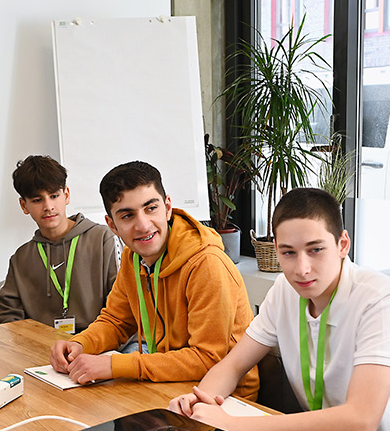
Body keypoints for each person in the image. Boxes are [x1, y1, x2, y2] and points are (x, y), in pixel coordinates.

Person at [169, 188, 390, 431]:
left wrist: (234, 425)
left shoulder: (381, 300)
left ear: (342, 244)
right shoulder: (284, 291)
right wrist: (202, 405)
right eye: (289, 252)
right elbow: (232, 366)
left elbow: (360, 423)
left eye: (315, 250)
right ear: (275, 249)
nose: (302, 269)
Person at [49, 161, 258, 397]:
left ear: (167, 207)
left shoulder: (207, 264)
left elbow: (208, 359)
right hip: (167, 382)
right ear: (112, 225)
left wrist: (114, 366)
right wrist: (80, 344)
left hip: (223, 397)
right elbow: (116, 321)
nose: (143, 225)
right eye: (127, 216)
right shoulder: (133, 256)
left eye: (151, 208)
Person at [0, 155, 119, 335]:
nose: (48, 206)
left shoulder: (102, 238)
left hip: (99, 343)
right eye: (37, 200)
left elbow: (121, 304)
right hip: (43, 350)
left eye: (54, 196)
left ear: (66, 195)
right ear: (24, 205)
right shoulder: (21, 258)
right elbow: (7, 315)